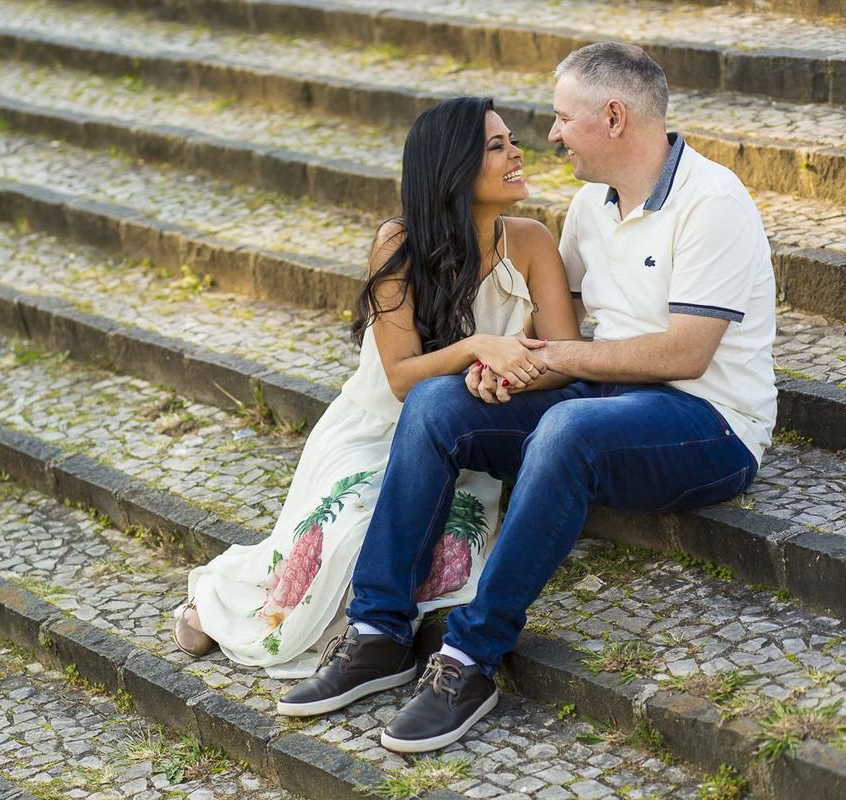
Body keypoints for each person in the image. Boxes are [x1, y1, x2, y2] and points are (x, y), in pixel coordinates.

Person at [277, 41, 776, 754]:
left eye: (562, 118)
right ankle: (378, 631)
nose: (551, 136)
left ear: (613, 117)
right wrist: (500, 374)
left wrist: (552, 363)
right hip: (603, 401)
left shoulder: (712, 201)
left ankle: (469, 657)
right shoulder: (591, 206)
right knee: (438, 404)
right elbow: (544, 336)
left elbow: (682, 354)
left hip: (707, 422)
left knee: (569, 428)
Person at [171, 96, 582, 676]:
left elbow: (565, 357)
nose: (518, 153)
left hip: (462, 437)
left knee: (444, 555)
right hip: (373, 430)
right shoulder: (399, 243)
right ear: (453, 168)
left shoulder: (533, 241)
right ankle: (222, 601)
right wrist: (476, 347)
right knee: (344, 542)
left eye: (512, 141)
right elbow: (400, 379)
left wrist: (503, 375)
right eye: (497, 146)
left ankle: (358, 633)